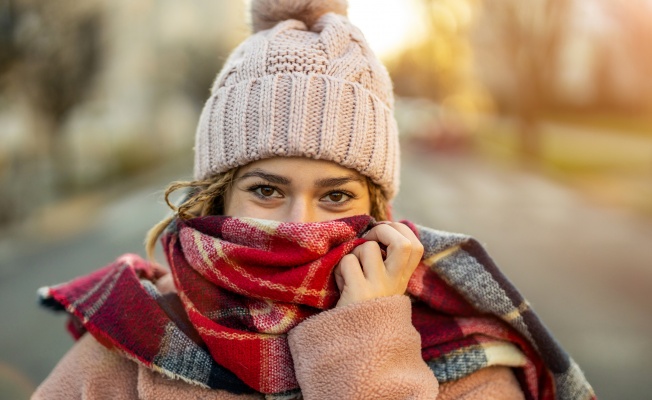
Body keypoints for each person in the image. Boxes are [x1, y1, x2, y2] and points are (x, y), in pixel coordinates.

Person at [33, 1, 596, 399]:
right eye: (266, 190)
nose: (297, 225)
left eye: (335, 196)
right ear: (218, 197)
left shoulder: (466, 363)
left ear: (375, 211)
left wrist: (365, 346)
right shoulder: (128, 344)